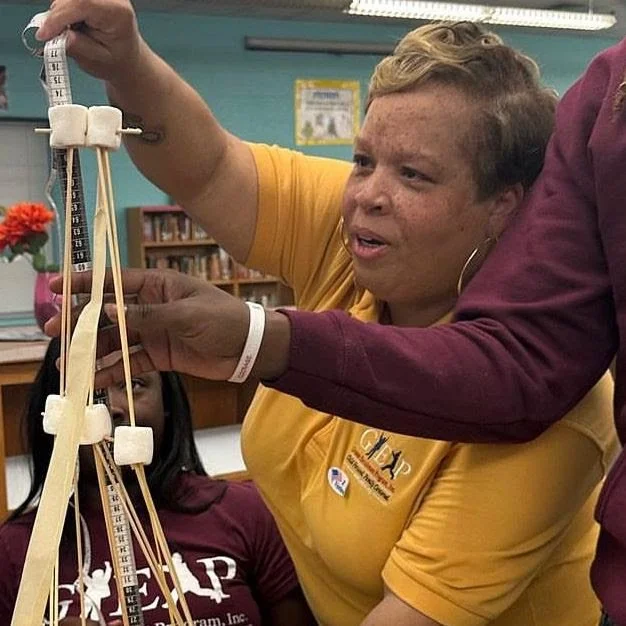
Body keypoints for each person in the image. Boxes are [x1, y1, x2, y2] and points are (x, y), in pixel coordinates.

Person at [36, 4, 619, 624]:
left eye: (414, 175)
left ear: (503, 206)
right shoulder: (357, 245)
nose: (368, 194)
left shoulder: (552, 413)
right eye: (363, 160)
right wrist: (127, 64)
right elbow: (208, 170)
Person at [0, 338, 315, 625]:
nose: (111, 408)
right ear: (52, 416)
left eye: (134, 384)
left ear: (167, 403)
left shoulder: (246, 513)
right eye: (82, 391)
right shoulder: (17, 550)